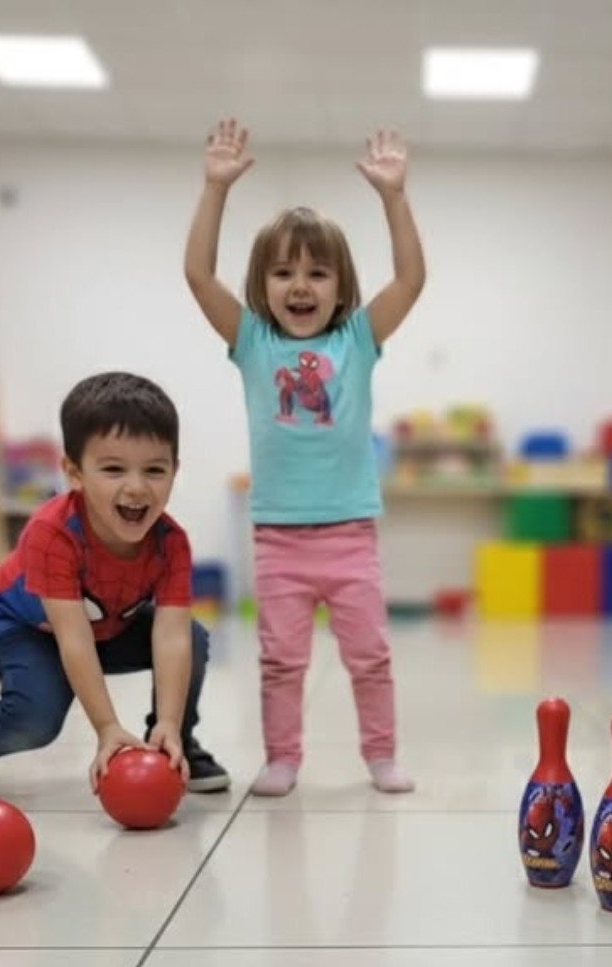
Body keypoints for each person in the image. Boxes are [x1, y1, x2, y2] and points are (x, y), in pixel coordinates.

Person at [184, 118, 426, 796]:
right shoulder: (253, 341)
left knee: (370, 656)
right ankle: (282, 758)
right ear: (262, 285)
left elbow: (411, 278)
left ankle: (381, 755)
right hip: (279, 538)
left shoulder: (358, 339)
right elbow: (198, 275)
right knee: (280, 661)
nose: (300, 285)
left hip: (351, 533)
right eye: (283, 272)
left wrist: (394, 198)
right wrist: (215, 189)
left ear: (340, 287)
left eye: (318, 273)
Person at [0, 372, 230, 795]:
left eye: (154, 470)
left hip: (107, 626)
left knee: (193, 636)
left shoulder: (171, 543)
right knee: (34, 720)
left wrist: (169, 720)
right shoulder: (53, 533)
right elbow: (74, 640)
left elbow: (171, 637)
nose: (136, 487)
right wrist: (107, 727)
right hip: (31, 627)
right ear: (75, 473)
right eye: (113, 469)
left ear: (174, 472)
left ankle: (173, 741)